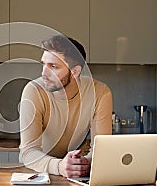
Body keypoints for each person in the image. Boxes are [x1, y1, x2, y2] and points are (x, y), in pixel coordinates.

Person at [19, 35, 113, 178]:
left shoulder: (100, 93)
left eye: (53, 66)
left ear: (75, 72)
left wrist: (83, 164)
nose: (44, 73)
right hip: (40, 173)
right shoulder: (33, 91)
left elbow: (101, 150)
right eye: (43, 64)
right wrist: (60, 166)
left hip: (77, 176)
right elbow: (27, 153)